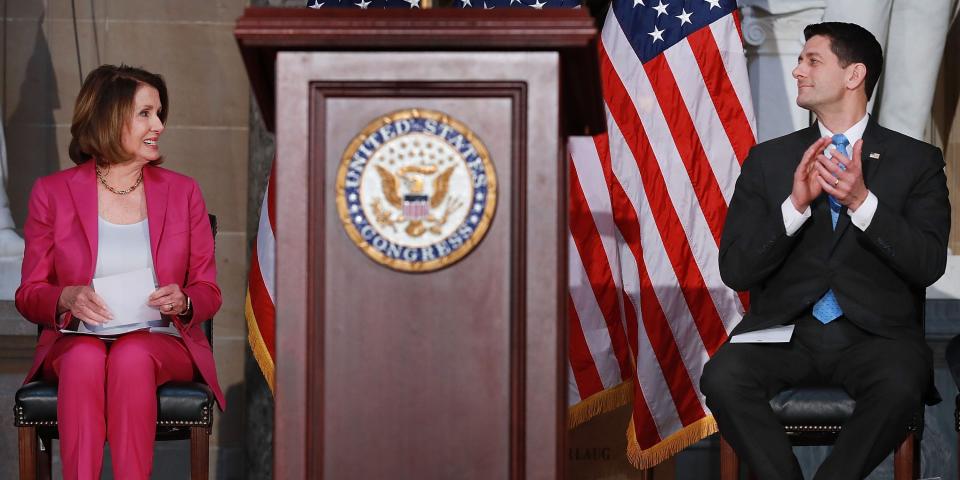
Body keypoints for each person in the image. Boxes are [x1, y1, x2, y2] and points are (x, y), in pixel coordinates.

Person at [700, 22, 950, 479]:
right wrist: (794, 206)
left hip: (878, 338)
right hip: (784, 334)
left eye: (811, 60)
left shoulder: (917, 161)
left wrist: (863, 203)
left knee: (900, 384)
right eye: (799, 60)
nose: (798, 71)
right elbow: (736, 269)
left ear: (854, 75)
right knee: (721, 376)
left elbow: (929, 263)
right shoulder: (769, 160)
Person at [15, 64, 224, 480]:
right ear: (110, 117)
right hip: (78, 339)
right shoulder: (52, 193)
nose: (159, 125)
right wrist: (65, 297)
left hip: (160, 342)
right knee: (82, 360)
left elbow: (208, 290)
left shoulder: (184, 192)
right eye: (145, 113)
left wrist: (183, 300)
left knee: (131, 356)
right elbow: (29, 293)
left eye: (160, 113)